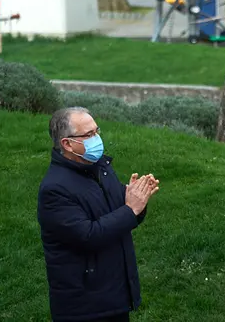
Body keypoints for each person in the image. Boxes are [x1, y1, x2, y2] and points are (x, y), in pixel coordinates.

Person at [37, 107, 159, 322]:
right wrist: (131, 209)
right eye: (89, 134)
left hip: (115, 294)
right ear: (67, 144)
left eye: (97, 131)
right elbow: (88, 236)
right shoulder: (54, 189)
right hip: (85, 306)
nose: (97, 139)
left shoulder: (100, 168)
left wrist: (137, 202)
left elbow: (122, 216)